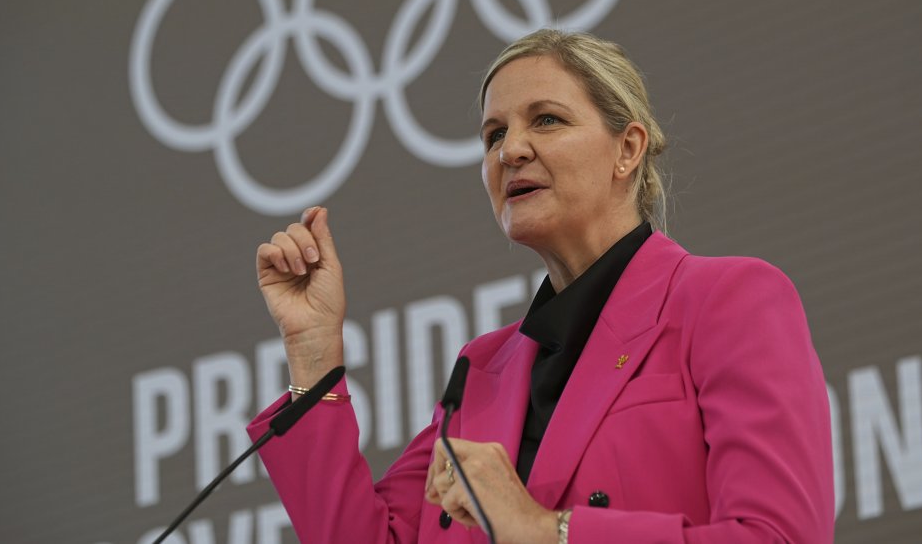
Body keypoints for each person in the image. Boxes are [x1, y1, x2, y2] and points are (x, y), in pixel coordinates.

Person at [248, 29, 835, 543]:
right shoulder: (481, 372)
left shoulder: (727, 300)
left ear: (627, 149)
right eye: (492, 135)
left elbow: (780, 536)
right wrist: (313, 349)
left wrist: (546, 532)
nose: (512, 150)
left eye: (547, 120)